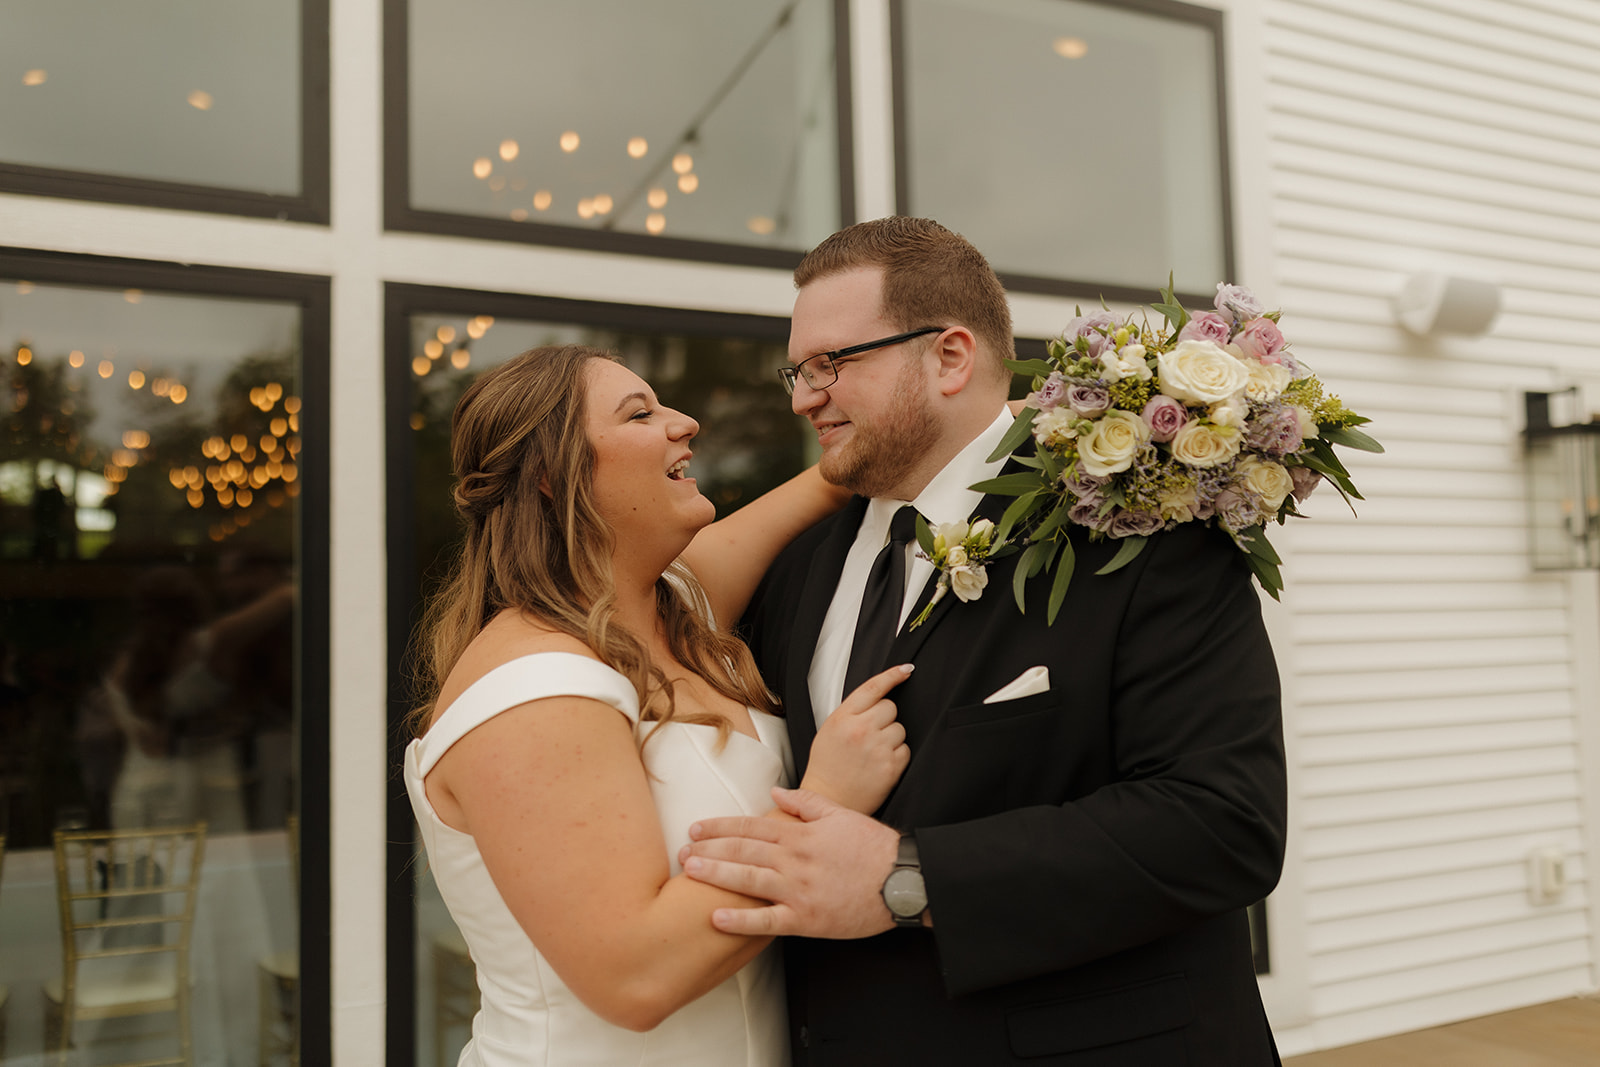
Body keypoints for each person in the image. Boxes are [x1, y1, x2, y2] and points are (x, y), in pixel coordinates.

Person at [681, 218, 1288, 1065]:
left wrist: (908, 877)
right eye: (797, 369)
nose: (802, 396)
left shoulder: (1143, 530)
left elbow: (1223, 823)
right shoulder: (794, 567)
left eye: (831, 363)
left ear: (951, 356)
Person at [402, 344, 915, 1067]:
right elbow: (633, 977)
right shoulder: (532, 682)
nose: (685, 422)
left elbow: (832, 481)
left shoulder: (671, 603)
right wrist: (825, 797)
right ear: (553, 476)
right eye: (640, 413)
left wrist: (1032, 419)